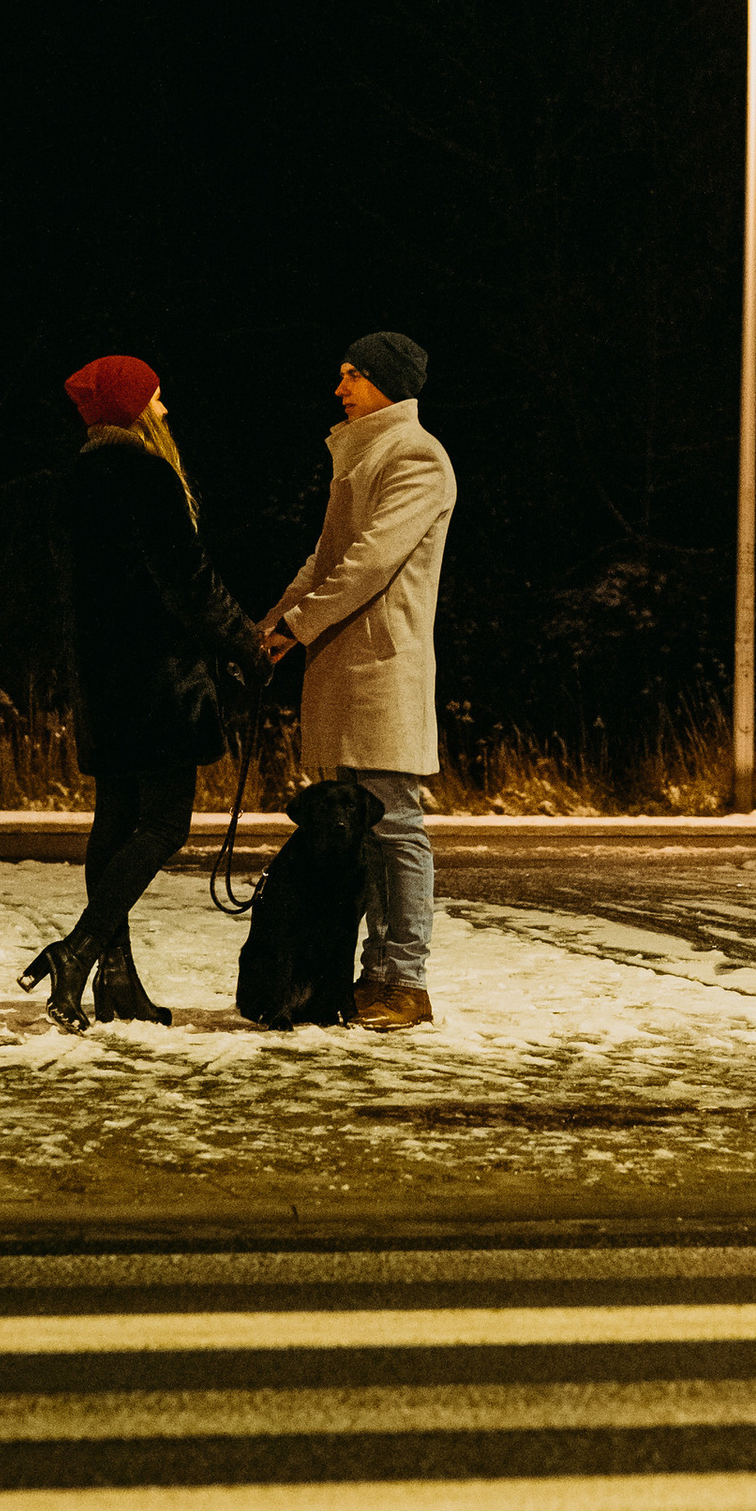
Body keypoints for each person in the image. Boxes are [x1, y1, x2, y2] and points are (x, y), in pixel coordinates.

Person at [23, 353, 269, 1033]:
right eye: (156, 398)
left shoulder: (74, 478)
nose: (165, 410)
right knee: (165, 822)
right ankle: (78, 952)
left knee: (116, 822)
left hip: (103, 679)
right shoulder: (146, 475)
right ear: (133, 407)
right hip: (158, 679)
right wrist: (246, 646)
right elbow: (188, 582)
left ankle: (118, 982)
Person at [262, 330, 456, 1028]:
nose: (339, 388)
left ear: (385, 381)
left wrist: (297, 625)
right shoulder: (364, 456)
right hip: (346, 659)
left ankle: (405, 981)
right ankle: (373, 978)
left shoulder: (414, 455)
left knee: (394, 824)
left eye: (352, 375)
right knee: (362, 833)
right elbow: (325, 560)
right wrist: (272, 627)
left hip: (381, 663)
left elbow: (370, 562)